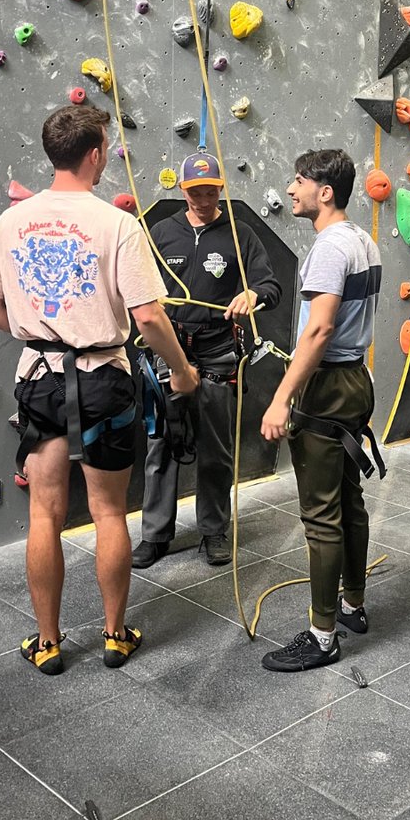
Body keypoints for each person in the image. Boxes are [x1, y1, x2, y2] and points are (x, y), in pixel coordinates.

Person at [0, 105, 199, 677]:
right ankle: (115, 635)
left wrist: (39, 333)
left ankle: (48, 643)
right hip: (104, 380)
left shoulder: (10, 224)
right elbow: (148, 317)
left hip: (42, 380)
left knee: (46, 515)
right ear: (96, 153)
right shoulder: (116, 224)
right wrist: (181, 372)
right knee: (105, 512)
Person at [260, 149, 382, 672]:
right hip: (355, 377)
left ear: (324, 191)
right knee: (349, 500)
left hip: (327, 383)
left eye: (299, 180)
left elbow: (319, 329)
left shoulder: (331, 247)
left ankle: (322, 636)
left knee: (321, 514)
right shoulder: (363, 240)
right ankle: (352, 605)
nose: (291, 189)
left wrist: (282, 396)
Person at [132, 152, 282, 568]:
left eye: (211, 190)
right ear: (182, 191)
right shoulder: (160, 233)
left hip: (217, 353)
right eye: (195, 191)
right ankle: (155, 534)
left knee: (217, 449)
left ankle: (214, 531)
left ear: (221, 189)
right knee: (160, 444)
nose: (203, 198)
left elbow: (270, 284)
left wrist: (255, 294)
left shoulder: (240, 234)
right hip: (168, 352)